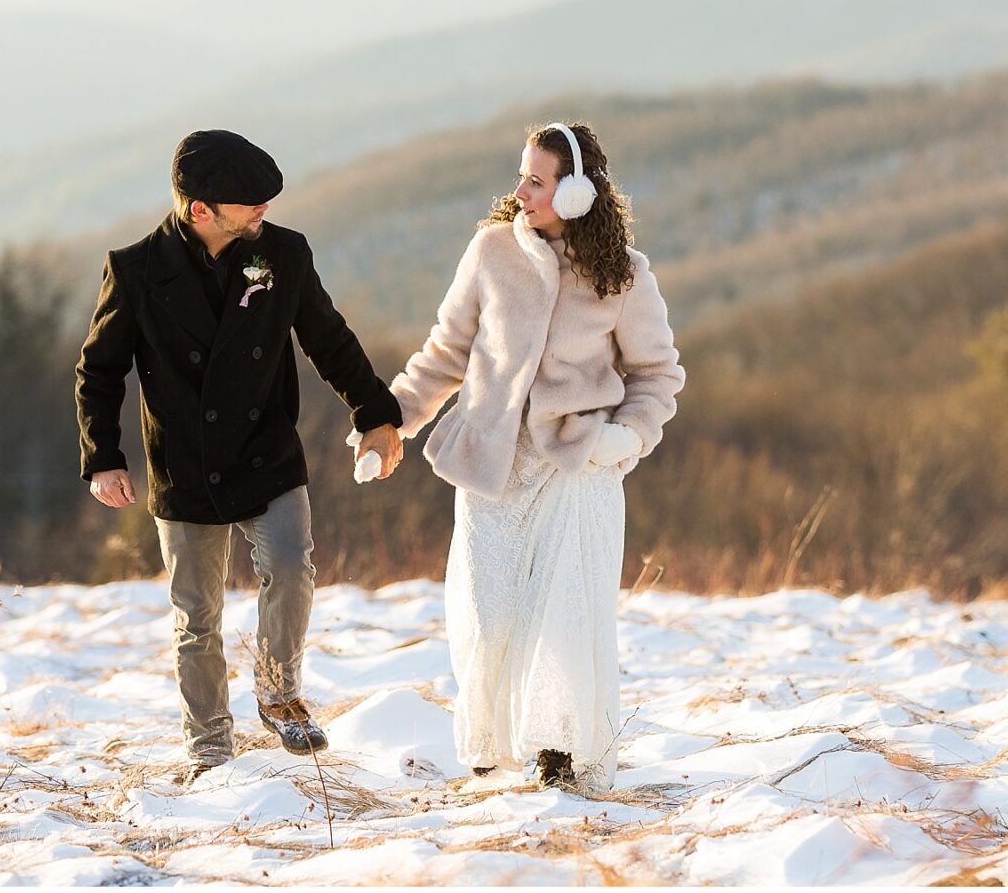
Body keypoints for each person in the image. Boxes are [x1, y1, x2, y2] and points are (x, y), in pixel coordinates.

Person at [75, 129, 404, 786]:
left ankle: (279, 693)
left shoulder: (283, 254)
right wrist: (103, 455)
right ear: (202, 209)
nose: (265, 212)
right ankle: (209, 745)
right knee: (197, 616)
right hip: (184, 462)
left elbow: (327, 338)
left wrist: (375, 411)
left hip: (266, 451)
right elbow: (99, 370)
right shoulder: (137, 270)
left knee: (291, 565)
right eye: (250, 203)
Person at [382, 121, 685, 791]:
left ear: (577, 193)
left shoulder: (623, 275)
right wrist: (390, 418)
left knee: (565, 614)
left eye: (537, 181)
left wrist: (624, 438)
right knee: (489, 616)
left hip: (577, 466)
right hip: (492, 462)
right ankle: (492, 746)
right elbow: (446, 352)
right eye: (520, 175)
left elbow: (658, 376)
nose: (520, 190)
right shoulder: (491, 251)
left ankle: (558, 751)